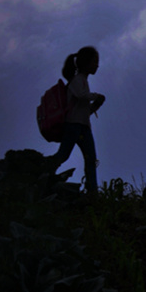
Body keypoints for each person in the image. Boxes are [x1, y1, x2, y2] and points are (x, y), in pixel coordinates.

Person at [49, 46, 105, 195]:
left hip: (83, 126)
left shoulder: (83, 81)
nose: (97, 65)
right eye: (94, 62)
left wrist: (95, 106)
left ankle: (92, 191)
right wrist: (96, 97)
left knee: (91, 159)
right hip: (73, 125)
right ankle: (44, 172)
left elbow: (84, 108)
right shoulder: (76, 80)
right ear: (86, 63)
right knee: (64, 155)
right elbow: (81, 96)